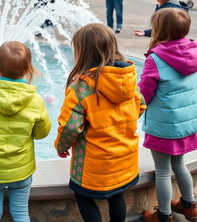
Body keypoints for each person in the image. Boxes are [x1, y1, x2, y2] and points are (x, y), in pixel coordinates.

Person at [55, 23, 146, 222]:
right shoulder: (128, 79)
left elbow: (70, 126)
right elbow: (141, 106)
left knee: (83, 195)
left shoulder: (81, 88)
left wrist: (61, 145)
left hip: (93, 163)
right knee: (116, 194)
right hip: (124, 158)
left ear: (83, 53)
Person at [0, 41, 51, 222]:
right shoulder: (35, 100)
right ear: (28, 69)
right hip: (21, 170)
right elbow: (42, 133)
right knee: (21, 213)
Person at [139, 8, 197, 222]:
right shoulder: (194, 51)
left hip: (164, 125)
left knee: (163, 170)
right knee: (179, 164)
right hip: (185, 123)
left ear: (159, 30)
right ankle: (189, 205)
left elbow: (143, 93)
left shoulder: (156, 59)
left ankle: (164, 216)